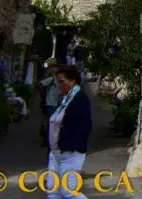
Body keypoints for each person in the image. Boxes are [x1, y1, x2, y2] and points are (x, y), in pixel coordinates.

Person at [47, 65, 92, 199]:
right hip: (56, 152)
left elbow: (86, 127)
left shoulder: (80, 99)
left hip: (70, 153)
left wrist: (72, 145)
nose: (59, 85)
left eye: (62, 82)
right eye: (58, 82)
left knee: (69, 192)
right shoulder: (66, 99)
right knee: (52, 191)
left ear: (72, 80)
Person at [37, 65, 61, 146]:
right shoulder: (52, 79)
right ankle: (48, 140)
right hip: (50, 103)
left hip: (56, 103)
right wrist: (43, 96)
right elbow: (39, 85)